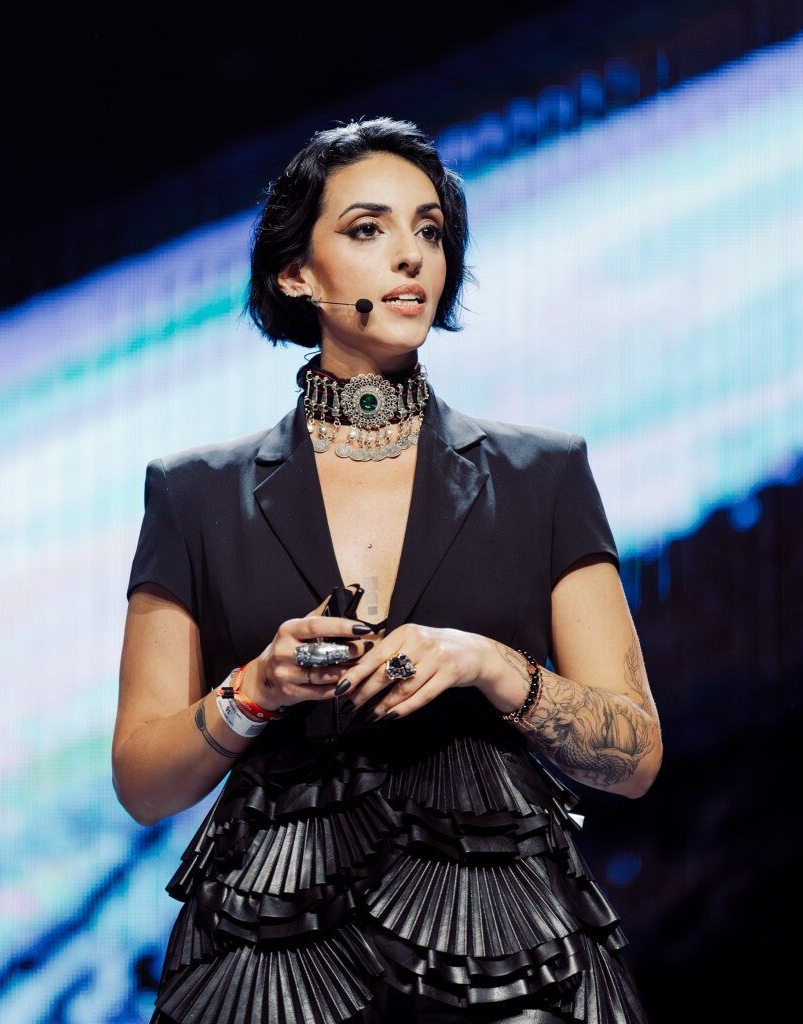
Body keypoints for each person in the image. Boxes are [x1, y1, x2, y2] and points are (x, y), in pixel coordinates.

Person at [114, 116, 662, 1024]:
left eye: (429, 230)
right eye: (367, 228)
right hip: (272, 954)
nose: (411, 255)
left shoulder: (542, 474)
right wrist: (255, 689)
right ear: (294, 273)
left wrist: (491, 664)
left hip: (506, 952)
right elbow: (143, 783)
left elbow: (634, 757)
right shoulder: (193, 494)